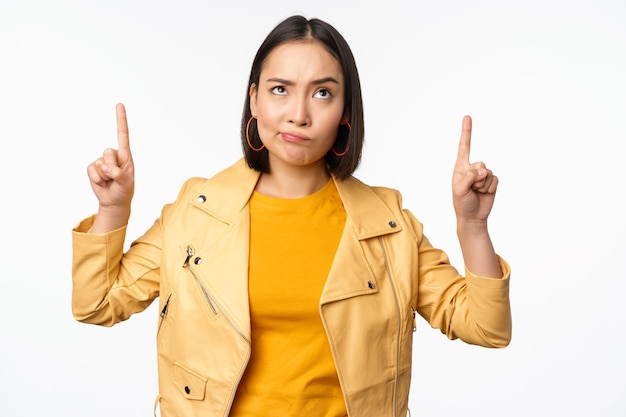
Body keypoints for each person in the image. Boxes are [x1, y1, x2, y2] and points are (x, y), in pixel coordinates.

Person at [72, 14, 511, 417]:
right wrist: (113, 208)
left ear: (344, 112)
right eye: (280, 89)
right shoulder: (196, 212)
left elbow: (486, 327)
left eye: (322, 93)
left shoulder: (388, 224)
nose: (298, 115)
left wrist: (472, 227)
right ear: (255, 100)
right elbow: (96, 304)